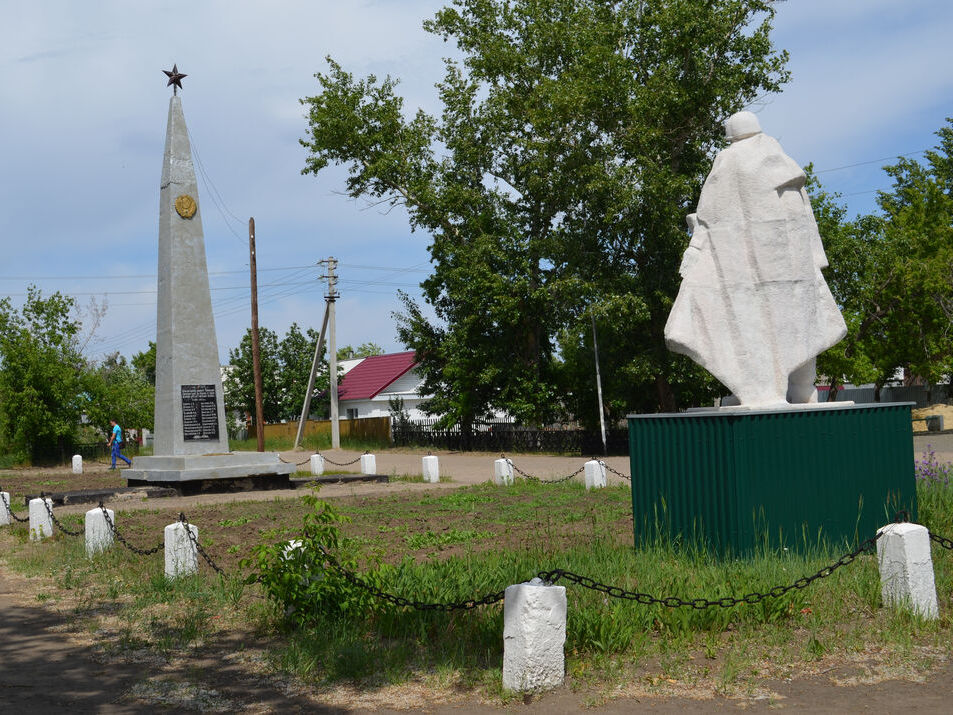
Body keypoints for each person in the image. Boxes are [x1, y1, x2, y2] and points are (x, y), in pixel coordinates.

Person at [664, 111, 846, 406]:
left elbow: (710, 214)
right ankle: (802, 390)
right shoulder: (784, 163)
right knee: (800, 319)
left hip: (748, 269)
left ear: (731, 134)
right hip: (791, 266)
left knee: (749, 319)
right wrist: (814, 255)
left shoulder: (729, 160)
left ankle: (758, 388)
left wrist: (697, 243)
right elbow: (806, 220)